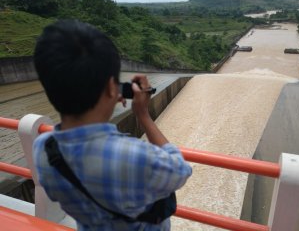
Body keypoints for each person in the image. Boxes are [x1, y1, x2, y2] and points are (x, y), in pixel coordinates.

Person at [32, 20, 192, 231]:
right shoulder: (134, 156)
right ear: (111, 88)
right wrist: (143, 115)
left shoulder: (43, 148)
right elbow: (180, 170)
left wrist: (102, 101)